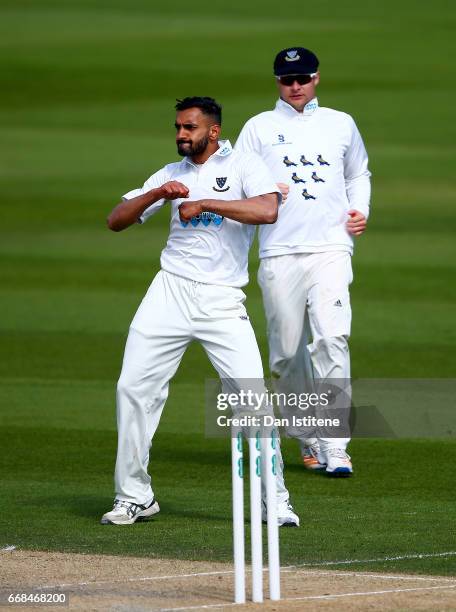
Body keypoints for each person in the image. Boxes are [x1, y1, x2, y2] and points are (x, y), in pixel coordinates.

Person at [101, 96, 299, 525]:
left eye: (189, 128)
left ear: (213, 131)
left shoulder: (245, 165)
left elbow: (267, 209)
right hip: (168, 291)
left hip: (222, 298)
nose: (180, 135)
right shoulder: (170, 174)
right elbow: (115, 220)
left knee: (251, 398)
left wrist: (207, 203)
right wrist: (157, 193)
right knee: (133, 389)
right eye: (177, 127)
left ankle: (274, 499)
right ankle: (134, 495)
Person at [235, 48, 371, 475]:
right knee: (286, 355)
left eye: (302, 78)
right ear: (277, 81)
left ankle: (336, 445)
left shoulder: (341, 122)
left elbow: (358, 173)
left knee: (332, 340)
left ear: (316, 78)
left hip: (331, 247)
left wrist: (360, 209)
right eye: (286, 79)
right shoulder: (259, 127)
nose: (295, 86)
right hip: (279, 250)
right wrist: (264, 188)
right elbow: (239, 184)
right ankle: (306, 437)